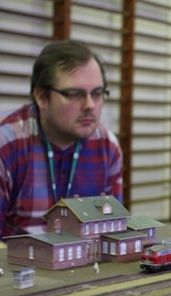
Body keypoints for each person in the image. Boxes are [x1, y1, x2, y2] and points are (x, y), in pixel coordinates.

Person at [0, 40, 123, 238]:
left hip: (87, 255)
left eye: (97, 93)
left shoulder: (108, 146)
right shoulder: (7, 144)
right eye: (74, 94)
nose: (90, 105)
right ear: (42, 97)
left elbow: (114, 229)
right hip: (20, 256)